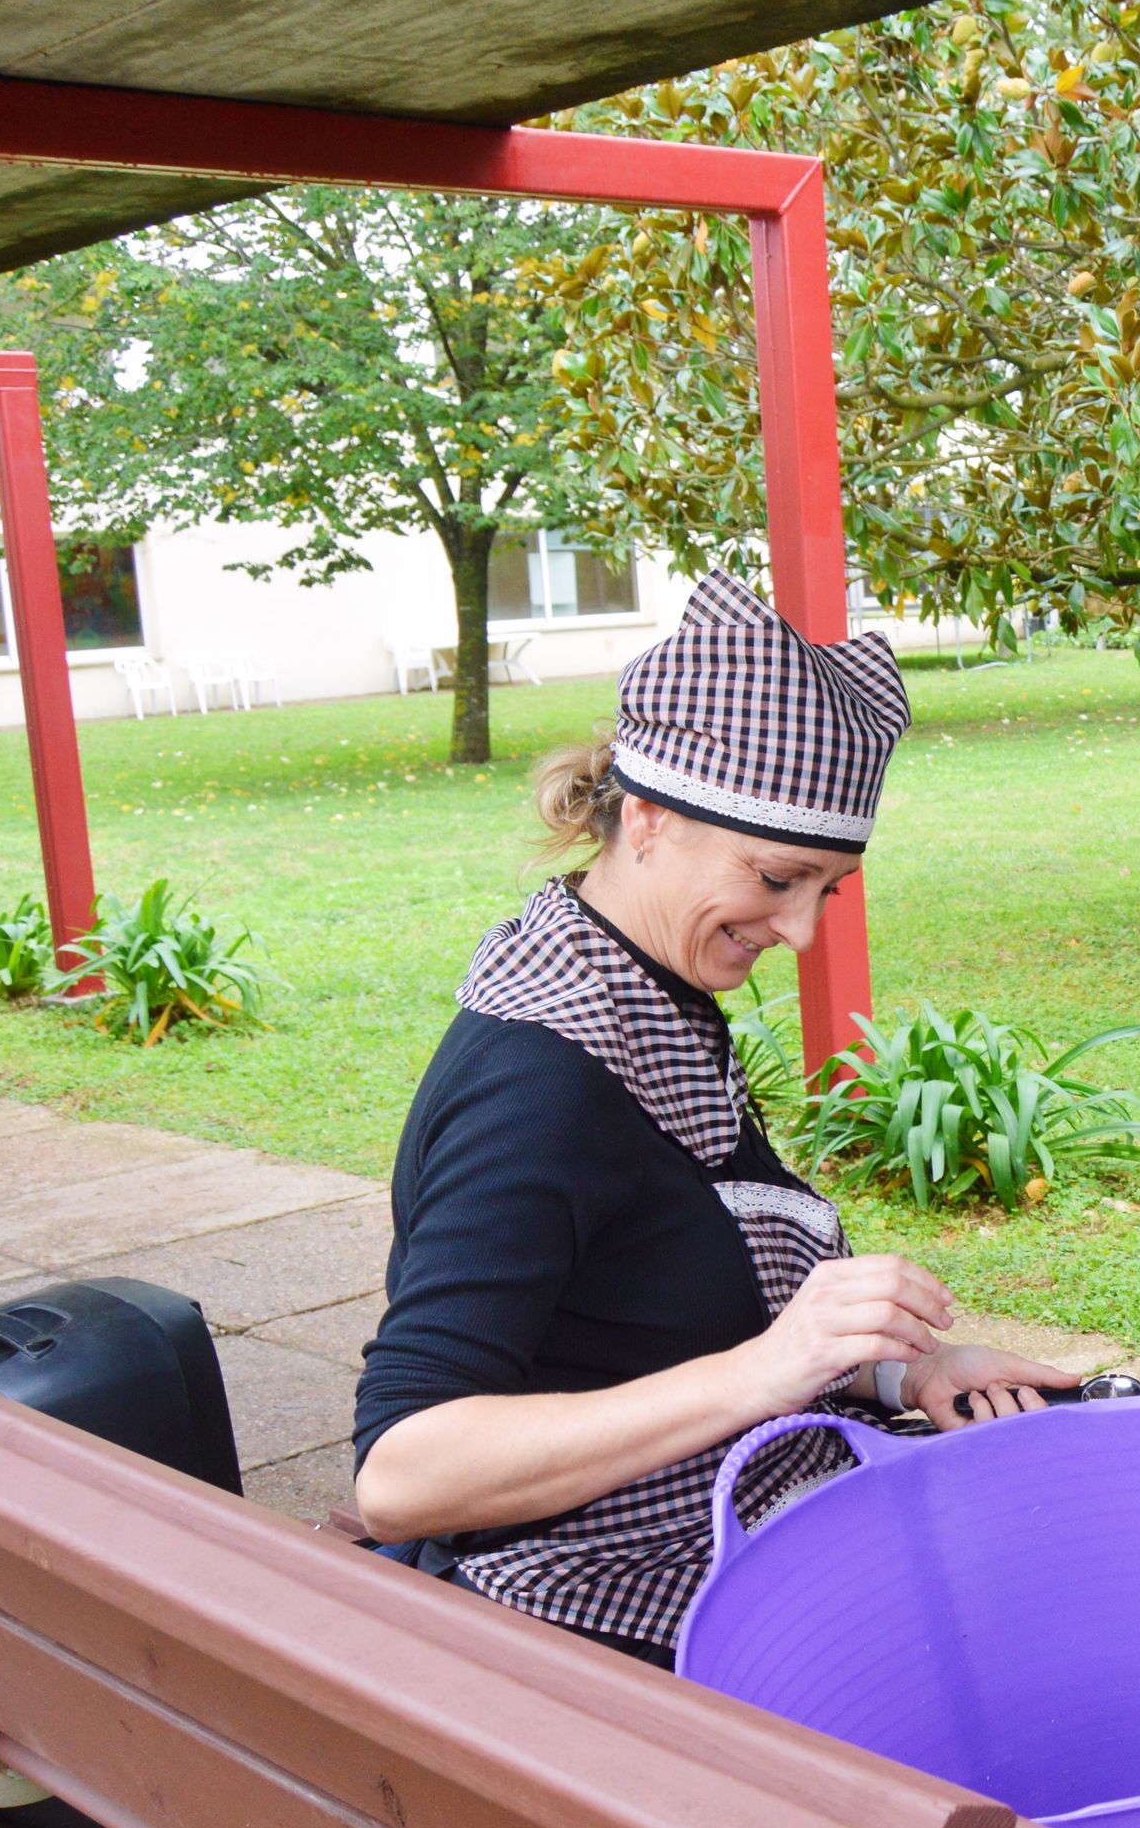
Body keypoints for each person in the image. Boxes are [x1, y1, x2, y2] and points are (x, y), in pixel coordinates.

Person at [354, 574, 1077, 1666]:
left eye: (827, 889)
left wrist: (896, 1372)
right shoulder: (539, 1080)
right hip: (605, 1614)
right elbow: (403, 1470)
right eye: (779, 876)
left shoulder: (641, 985)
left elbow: (657, 1296)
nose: (797, 930)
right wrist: (765, 1370)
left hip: (726, 1535)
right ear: (646, 818)